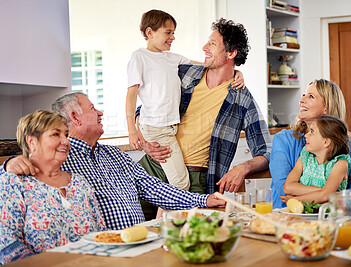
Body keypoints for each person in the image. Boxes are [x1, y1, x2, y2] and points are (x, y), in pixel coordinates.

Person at [0, 93, 225, 231]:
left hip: (139, 243)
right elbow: (29, 169)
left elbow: (155, 189)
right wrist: (8, 165)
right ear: (75, 118)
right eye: (92, 108)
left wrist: (205, 200)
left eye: (62, 134)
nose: (100, 112)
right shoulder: (60, 160)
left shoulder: (115, 155)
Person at [136, 18, 271, 218]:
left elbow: (266, 150)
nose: (204, 47)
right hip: (153, 167)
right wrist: (144, 139)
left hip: (194, 181)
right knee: (125, 226)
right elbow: (144, 108)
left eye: (212, 44)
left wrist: (243, 168)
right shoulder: (184, 74)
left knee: (182, 239)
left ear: (231, 53)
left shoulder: (242, 98)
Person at [126, 10, 244, 194]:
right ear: (149, 32)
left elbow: (208, 65)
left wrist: (236, 72)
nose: (173, 37)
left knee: (173, 185)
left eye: (174, 32)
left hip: (169, 127)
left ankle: (162, 221)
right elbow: (131, 94)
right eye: (168, 32)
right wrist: (132, 130)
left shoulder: (173, 59)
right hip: (157, 129)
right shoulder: (139, 57)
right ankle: (164, 222)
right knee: (180, 185)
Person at [0, 110, 106, 264]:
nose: (65, 141)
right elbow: (6, 245)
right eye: (56, 134)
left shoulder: (80, 183)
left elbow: (101, 234)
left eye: (66, 135)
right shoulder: (13, 183)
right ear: (32, 142)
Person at [270, 79, 351, 209]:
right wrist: (328, 192)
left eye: (311, 96)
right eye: (304, 95)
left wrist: (325, 194)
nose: (301, 100)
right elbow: (284, 191)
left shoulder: (348, 145)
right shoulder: (283, 140)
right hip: (288, 216)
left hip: (330, 218)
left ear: (327, 107)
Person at [282, 115, 351, 204]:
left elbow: (325, 196)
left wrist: (295, 200)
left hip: (329, 216)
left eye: (312, 132)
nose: (306, 135)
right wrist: (325, 191)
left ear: (326, 142)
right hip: (303, 214)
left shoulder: (340, 164)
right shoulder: (305, 158)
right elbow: (288, 187)